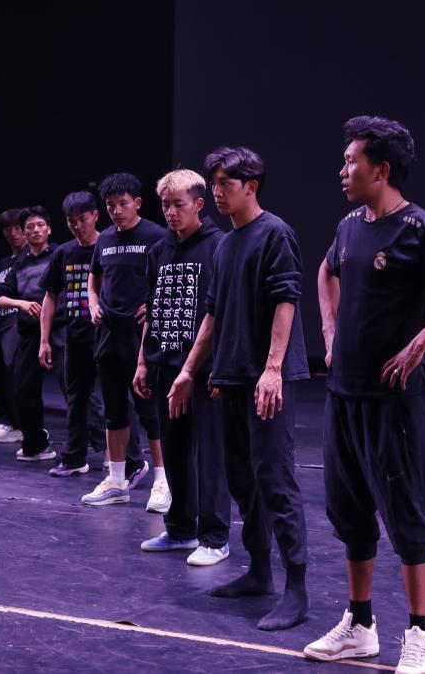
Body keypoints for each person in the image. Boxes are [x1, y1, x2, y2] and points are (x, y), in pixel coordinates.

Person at [303, 116, 425, 673]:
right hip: (343, 396)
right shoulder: (348, 226)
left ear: (381, 170)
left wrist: (421, 343)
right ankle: (360, 625)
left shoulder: (420, 230)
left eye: (351, 162)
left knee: (406, 516)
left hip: (395, 402)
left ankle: (420, 634)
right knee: (350, 513)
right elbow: (326, 272)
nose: (342, 171)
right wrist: (330, 329)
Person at [167, 146, 311, 632]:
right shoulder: (225, 245)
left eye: (225, 183)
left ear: (251, 186)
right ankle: (259, 572)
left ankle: (296, 589)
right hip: (229, 378)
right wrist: (190, 370)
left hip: (265, 380)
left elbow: (286, 300)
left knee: (276, 480)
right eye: (214, 184)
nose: (217, 192)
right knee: (243, 481)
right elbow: (212, 314)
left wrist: (272, 370)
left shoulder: (275, 233)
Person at [132, 169, 232, 567]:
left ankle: (215, 537)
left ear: (198, 205)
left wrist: (218, 367)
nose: (171, 213)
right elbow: (152, 311)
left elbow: (224, 313)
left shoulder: (219, 246)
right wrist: (143, 361)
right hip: (166, 367)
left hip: (204, 372)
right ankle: (180, 529)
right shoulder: (159, 250)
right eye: (165, 206)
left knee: (210, 456)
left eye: (179, 205)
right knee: (174, 452)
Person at [80, 173, 168, 509]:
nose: (116, 211)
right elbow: (94, 278)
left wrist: (155, 308)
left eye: (123, 204)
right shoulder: (104, 240)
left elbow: (165, 280)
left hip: (141, 334)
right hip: (108, 334)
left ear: (138, 203)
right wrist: (93, 303)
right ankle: (117, 481)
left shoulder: (156, 236)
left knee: (150, 410)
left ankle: (162, 481)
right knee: (113, 408)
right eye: (110, 205)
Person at [38, 191, 130, 477]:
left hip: (108, 334)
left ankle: (122, 457)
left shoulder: (110, 245)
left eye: (82, 219)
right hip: (76, 337)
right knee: (76, 399)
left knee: (116, 397)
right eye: (71, 221)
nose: (77, 226)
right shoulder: (63, 253)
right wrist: (44, 340)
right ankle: (75, 457)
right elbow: (50, 297)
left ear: (95, 216)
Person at [0, 206, 60, 461]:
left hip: (60, 329)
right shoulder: (19, 264)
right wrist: (20, 303)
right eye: (30, 227)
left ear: (49, 229)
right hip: (31, 333)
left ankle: (111, 453)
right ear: (24, 232)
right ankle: (36, 445)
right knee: (22, 390)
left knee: (77, 391)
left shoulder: (59, 255)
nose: (35, 230)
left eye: (40, 225)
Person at [0, 208, 27, 442]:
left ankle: (23, 426)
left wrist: (4, 299)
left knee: (14, 375)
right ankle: (10, 420)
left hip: (17, 322)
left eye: (18, 228)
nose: (13, 233)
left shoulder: (30, 259)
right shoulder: (0, 265)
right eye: (8, 229)